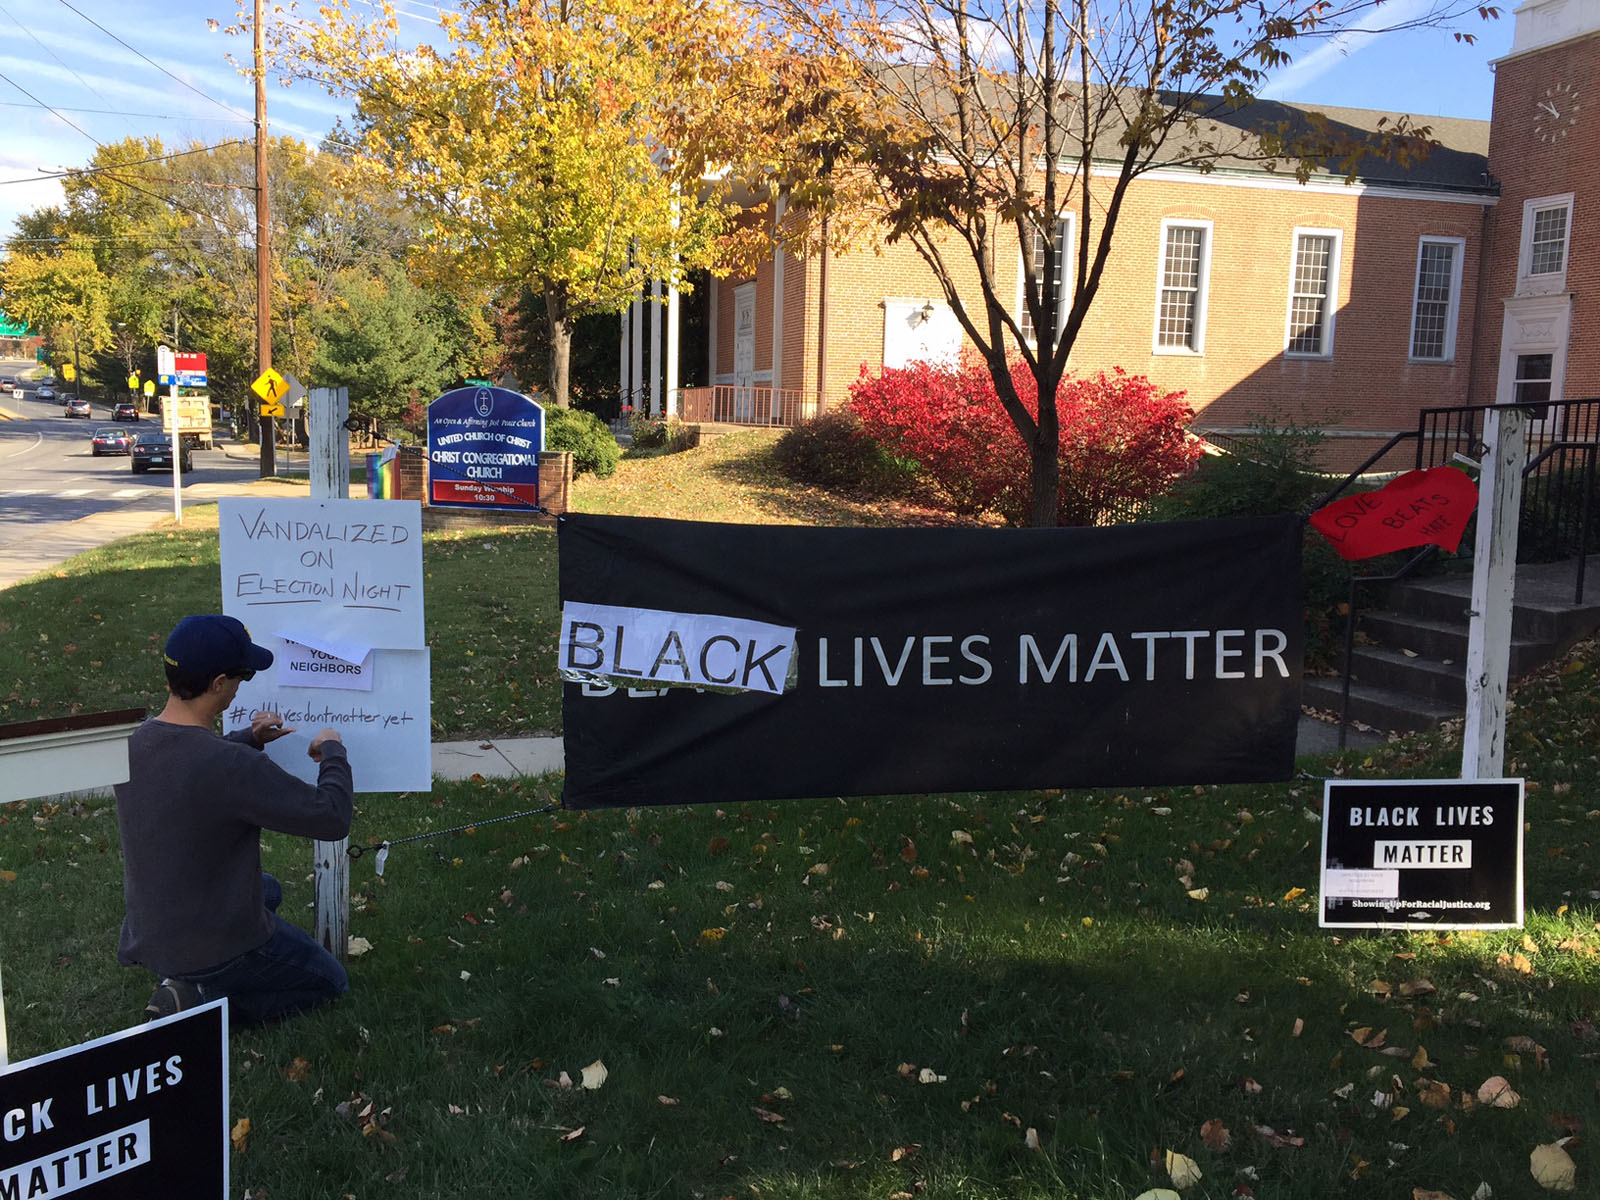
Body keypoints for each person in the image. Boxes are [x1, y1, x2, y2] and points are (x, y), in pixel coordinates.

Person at [114, 613, 354, 1025]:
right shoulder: (231, 767)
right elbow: (331, 817)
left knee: (270, 890)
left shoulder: (134, 743)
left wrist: (249, 738)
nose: (241, 687)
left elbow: (189, 763)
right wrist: (333, 751)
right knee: (329, 983)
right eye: (242, 678)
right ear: (219, 684)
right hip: (210, 945)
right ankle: (200, 999)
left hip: (151, 930)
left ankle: (182, 978)